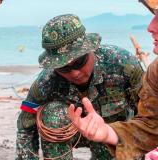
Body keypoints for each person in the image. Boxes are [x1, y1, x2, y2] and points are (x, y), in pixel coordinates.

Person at [16, 14, 144, 160]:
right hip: (74, 134)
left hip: (115, 133)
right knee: (52, 114)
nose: (75, 73)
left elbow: (149, 113)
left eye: (79, 63)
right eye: (64, 68)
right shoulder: (46, 82)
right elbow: (25, 126)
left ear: (91, 50)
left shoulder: (123, 65)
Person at [68, 1, 158, 160]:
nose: (150, 27)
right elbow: (151, 127)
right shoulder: (155, 72)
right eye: (155, 16)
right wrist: (108, 132)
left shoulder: (122, 61)